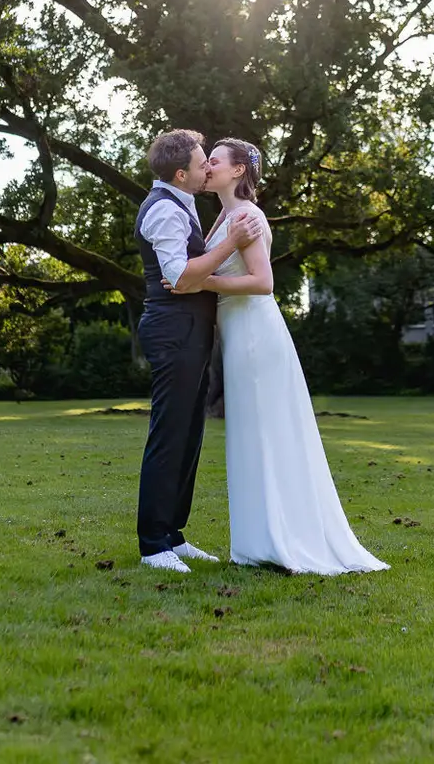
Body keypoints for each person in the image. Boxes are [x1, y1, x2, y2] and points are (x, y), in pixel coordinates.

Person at [173, 138, 388, 575]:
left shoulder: (247, 215)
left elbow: (263, 282)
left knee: (266, 435)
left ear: (237, 171)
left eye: (215, 161)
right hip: (238, 335)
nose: (207, 166)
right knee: (251, 437)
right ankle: (259, 542)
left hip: (255, 334)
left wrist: (204, 284)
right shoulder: (224, 218)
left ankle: (281, 541)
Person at [132, 128, 262, 573]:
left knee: (189, 434)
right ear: (181, 172)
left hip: (190, 330)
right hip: (173, 331)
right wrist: (230, 243)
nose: (209, 166)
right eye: (202, 160)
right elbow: (182, 277)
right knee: (169, 435)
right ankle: (153, 545)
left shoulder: (183, 203)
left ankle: (173, 534)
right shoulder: (164, 212)